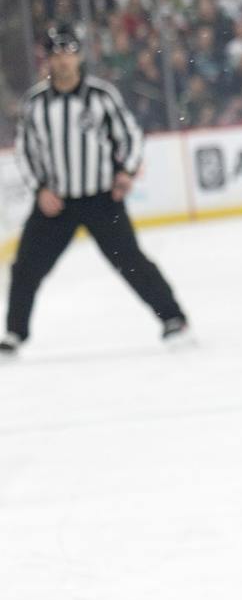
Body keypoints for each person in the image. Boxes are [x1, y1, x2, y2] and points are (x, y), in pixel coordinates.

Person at [5, 25, 189, 358]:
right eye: (56, 54)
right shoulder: (35, 104)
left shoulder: (101, 96)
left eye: (68, 53)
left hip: (101, 199)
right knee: (25, 267)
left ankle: (173, 317)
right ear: (47, 60)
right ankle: (15, 333)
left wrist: (126, 172)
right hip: (55, 203)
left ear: (79, 56)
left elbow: (129, 135)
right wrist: (40, 190)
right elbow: (26, 152)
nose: (63, 61)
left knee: (131, 262)